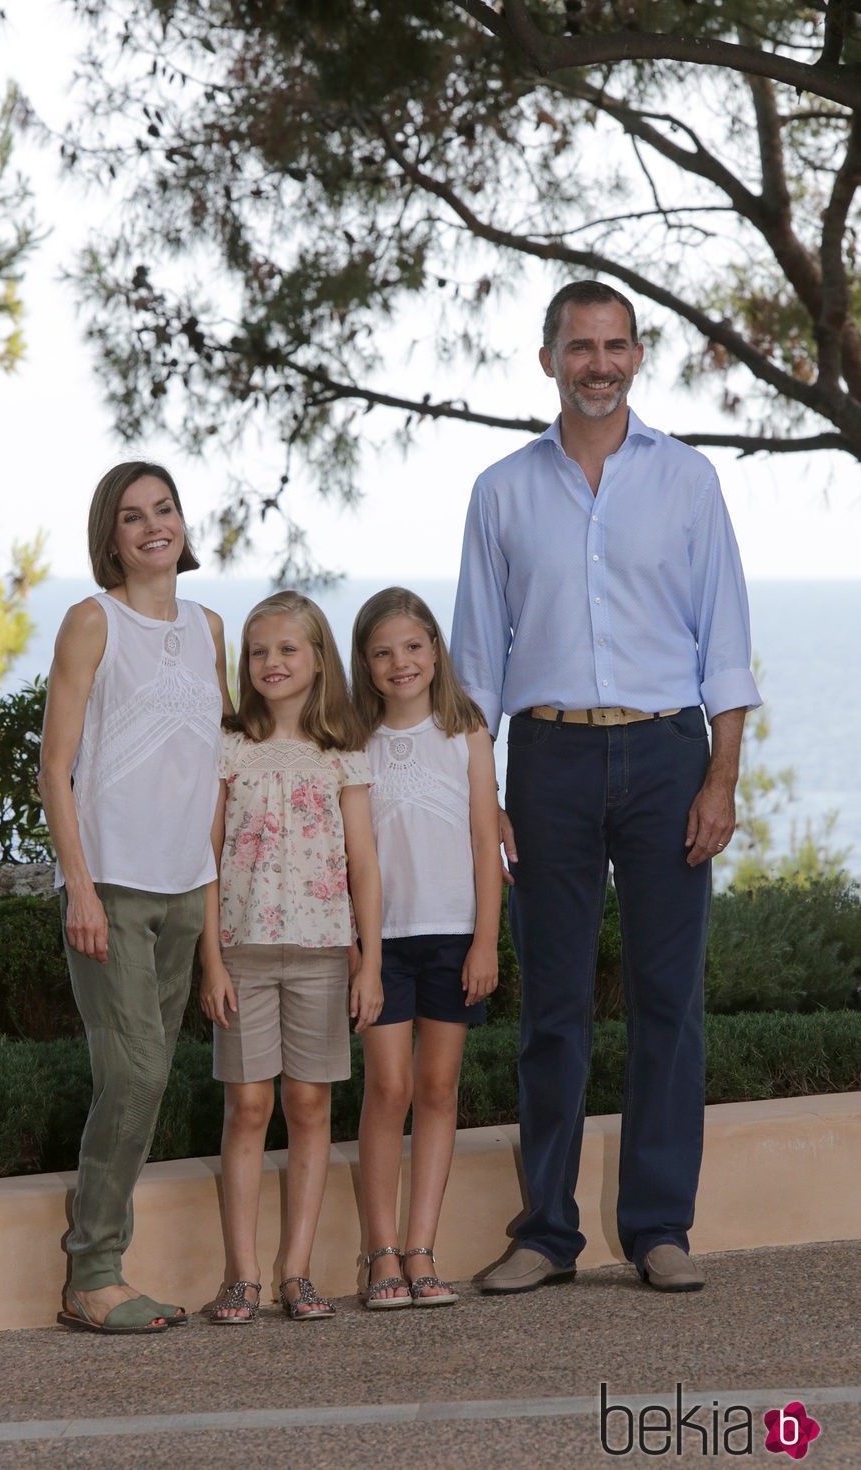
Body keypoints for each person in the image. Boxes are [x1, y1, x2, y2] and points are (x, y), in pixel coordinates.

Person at [450, 281, 761, 1295]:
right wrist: (480, 793)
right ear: (548, 358)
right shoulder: (501, 490)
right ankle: (544, 1234)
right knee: (552, 1006)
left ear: (636, 356)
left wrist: (719, 777)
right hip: (546, 763)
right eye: (579, 346)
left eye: (614, 345)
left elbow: (724, 646)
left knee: (669, 1002)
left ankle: (659, 1228)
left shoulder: (688, 483)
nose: (597, 362)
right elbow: (474, 668)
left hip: (667, 755)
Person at [39, 460, 231, 1334]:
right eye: (132, 516)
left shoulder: (210, 628)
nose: (154, 525)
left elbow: (209, 774)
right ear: (108, 536)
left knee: (141, 1082)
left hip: (183, 888)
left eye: (164, 509)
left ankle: (99, 1249)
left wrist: (212, 921)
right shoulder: (92, 622)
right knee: (137, 1073)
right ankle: (93, 1272)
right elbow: (56, 765)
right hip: (110, 885)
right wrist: (77, 886)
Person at [199, 590, 382, 1323]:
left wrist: (369, 960)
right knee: (248, 1105)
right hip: (242, 954)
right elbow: (205, 856)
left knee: (309, 1104)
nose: (270, 663)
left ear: (317, 660)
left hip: (322, 956)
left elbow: (364, 864)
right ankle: (241, 1274)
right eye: (257, 652)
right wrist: (209, 960)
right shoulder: (229, 749)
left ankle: (296, 1270)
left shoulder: (343, 755)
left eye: (286, 650)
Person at [350, 588, 501, 1309]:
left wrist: (486, 943)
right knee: (389, 1089)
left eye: (412, 647)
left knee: (438, 1091)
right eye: (383, 652)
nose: (400, 662)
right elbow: (354, 863)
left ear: (435, 650)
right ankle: (380, 1255)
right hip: (383, 943)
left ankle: (422, 1252)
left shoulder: (466, 732)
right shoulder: (354, 744)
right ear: (366, 664)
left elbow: (483, 844)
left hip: (453, 938)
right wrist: (361, 957)